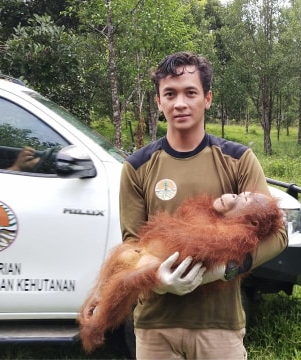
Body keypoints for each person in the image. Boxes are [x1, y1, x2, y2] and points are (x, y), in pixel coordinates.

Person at [119, 51, 288, 359]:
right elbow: (131, 245)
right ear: (159, 102)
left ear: (207, 98)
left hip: (218, 326)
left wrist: (227, 268)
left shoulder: (238, 160)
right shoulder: (137, 167)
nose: (179, 103)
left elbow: (277, 235)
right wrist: (156, 279)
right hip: (156, 327)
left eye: (190, 92)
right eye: (169, 94)